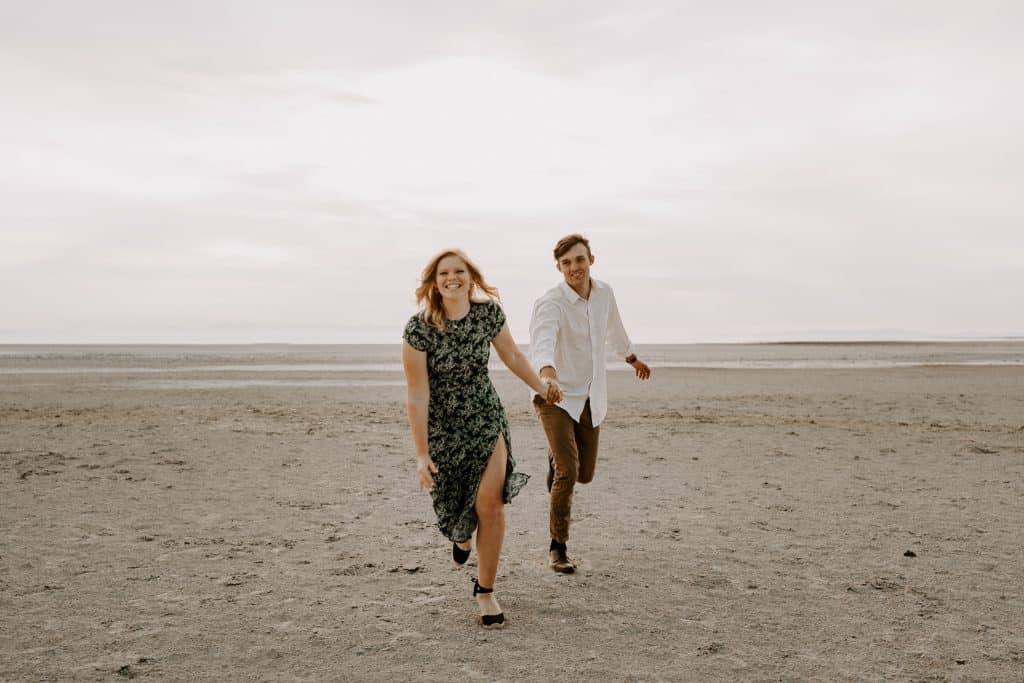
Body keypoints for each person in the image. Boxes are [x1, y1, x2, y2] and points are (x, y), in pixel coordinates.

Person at [402, 248, 561, 628]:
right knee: (461, 508)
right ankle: (461, 539)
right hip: (443, 428)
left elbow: (513, 357)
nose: (451, 278)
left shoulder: (487, 314)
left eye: (459, 271)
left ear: (471, 277)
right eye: (444, 273)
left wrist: (541, 386)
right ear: (434, 282)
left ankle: (486, 591)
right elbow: (418, 394)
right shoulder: (418, 329)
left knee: (490, 505)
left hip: (484, 420)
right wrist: (422, 454)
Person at [529, 233, 652, 573]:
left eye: (579, 260)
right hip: (554, 396)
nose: (574, 268)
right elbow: (542, 342)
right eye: (566, 263)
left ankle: (557, 459)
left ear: (591, 260)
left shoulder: (604, 294)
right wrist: (549, 377)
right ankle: (558, 547)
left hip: (590, 395)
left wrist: (631, 358)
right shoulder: (550, 302)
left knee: (584, 473)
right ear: (558, 267)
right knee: (568, 472)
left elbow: (614, 329)